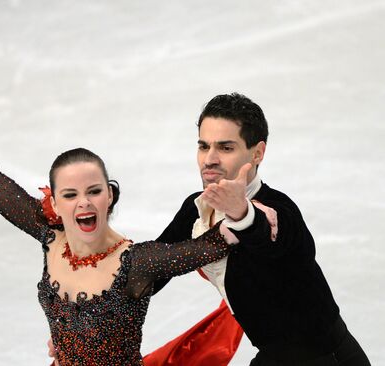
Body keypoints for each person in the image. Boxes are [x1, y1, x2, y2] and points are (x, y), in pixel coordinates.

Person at [0, 34, 268, 365]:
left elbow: (221, 239)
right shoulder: (49, 237)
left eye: (93, 191)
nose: (84, 203)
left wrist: (247, 205)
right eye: (70, 195)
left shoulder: (137, 263)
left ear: (110, 195)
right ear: (55, 204)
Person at [154, 93, 371, 365]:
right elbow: (153, 269)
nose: (209, 159)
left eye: (225, 148)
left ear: (257, 153)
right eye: (203, 146)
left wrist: (240, 213)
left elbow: (267, 236)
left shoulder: (280, 209)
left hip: (327, 359)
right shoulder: (197, 209)